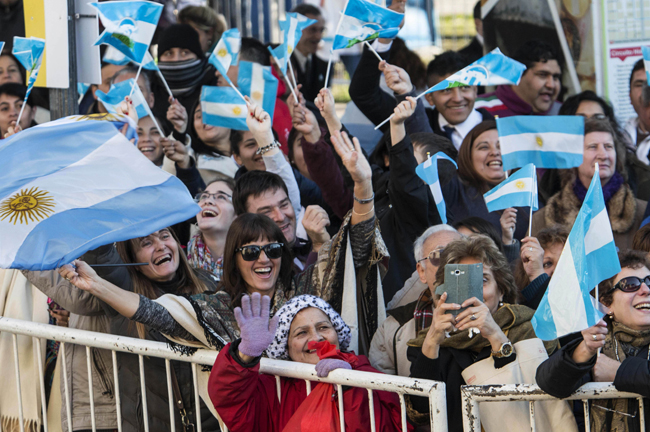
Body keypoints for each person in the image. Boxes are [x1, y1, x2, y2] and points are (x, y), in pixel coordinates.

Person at [52, 227, 221, 432]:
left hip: (212, 422)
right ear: (134, 261)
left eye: (165, 236)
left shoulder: (208, 283)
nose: (160, 246)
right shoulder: (123, 290)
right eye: (146, 243)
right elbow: (101, 254)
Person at [406, 235, 557, 430]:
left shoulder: (529, 331)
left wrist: (495, 335)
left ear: (501, 289)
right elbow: (419, 413)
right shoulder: (432, 343)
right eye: (461, 282)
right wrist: (432, 342)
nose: (472, 293)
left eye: (482, 280)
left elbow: (531, 396)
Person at [208, 293, 408, 431]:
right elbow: (229, 400)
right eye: (302, 332)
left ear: (338, 335)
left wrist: (349, 385)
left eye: (323, 327)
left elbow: (388, 427)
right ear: (287, 348)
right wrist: (245, 355)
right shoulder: (273, 388)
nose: (317, 338)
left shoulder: (365, 373)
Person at [537, 250, 650, 431]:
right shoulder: (597, 343)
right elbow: (549, 384)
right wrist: (584, 350)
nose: (645, 290)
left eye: (649, 282)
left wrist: (619, 372)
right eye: (631, 284)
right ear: (607, 304)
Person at [532, 117, 646, 251]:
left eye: (608, 146)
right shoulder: (544, 219)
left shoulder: (642, 213)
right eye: (593, 147)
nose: (603, 155)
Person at [369, 225, 461, 376]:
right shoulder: (393, 329)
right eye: (439, 255)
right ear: (422, 272)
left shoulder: (494, 313)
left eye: (458, 254)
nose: (449, 263)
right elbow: (386, 395)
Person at [442, 120, 530, 240]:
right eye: (484, 147)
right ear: (468, 156)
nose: (494, 152)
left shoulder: (530, 194)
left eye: (502, 147)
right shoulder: (455, 189)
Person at [422, 51, 493, 150]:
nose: (458, 99)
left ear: (475, 90)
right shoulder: (420, 128)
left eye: (465, 87)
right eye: (446, 90)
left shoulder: (498, 130)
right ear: (429, 97)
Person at [475, 39, 562, 117]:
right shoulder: (477, 110)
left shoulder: (564, 114)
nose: (551, 85)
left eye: (555, 77)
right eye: (542, 75)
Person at [153, 24, 218, 124]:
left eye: (185, 53)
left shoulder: (215, 85)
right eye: (169, 53)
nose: (176, 59)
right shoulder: (150, 89)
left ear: (198, 56)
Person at [187, 178, 237, 281]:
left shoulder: (252, 258)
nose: (208, 201)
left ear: (237, 214)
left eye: (221, 197)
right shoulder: (180, 261)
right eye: (204, 196)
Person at [288, 3, 328, 102]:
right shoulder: (279, 63)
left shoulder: (324, 66)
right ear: (295, 29)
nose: (318, 37)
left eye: (321, 30)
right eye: (312, 30)